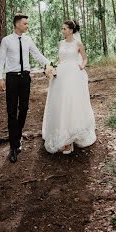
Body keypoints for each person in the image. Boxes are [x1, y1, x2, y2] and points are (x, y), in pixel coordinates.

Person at [0, 13, 52, 163]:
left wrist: (49, 64)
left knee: (24, 107)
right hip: (12, 78)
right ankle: (13, 146)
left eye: (27, 23)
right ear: (17, 24)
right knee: (11, 110)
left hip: (25, 78)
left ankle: (17, 135)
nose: (27, 26)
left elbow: (37, 54)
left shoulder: (28, 40)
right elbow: (1, 59)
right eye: (25, 24)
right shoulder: (6, 40)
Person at [42, 19, 96, 154]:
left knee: (72, 103)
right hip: (61, 75)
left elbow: (84, 58)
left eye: (64, 28)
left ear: (71, 30)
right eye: (62, 29)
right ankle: (63, 136)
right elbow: (60, 60)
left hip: (74, 75)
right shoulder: (60, 43)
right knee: (61, 104)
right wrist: (53, 70)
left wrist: (82, 66)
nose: (63, 30)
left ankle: (71, 138)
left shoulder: (78, 43)